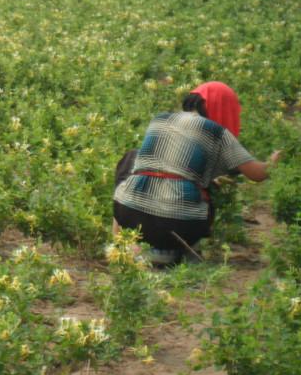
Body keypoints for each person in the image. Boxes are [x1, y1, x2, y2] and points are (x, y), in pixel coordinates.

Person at [112, 81, 280, 264]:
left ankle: (120, 243)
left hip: (129, 216)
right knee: (204, 189)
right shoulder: (217, 132)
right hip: (180, 227)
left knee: (132, 160)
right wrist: (274, 161)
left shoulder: (160, 119)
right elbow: (257, 174)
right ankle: (187, 249)